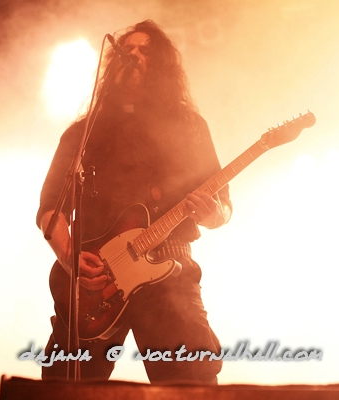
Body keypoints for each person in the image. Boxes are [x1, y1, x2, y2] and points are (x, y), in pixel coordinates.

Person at [36, 20, 232, 384]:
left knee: (192, 379)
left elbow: (223, 206)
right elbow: (50, 209)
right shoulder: (84, 132)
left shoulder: (189, 127)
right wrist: (69, 259)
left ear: (162, 66)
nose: (135, 56)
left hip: (169, 269)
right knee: (63, 384)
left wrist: (213, 213)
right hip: (95, 280)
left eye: (146, 51)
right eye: (128, 51)